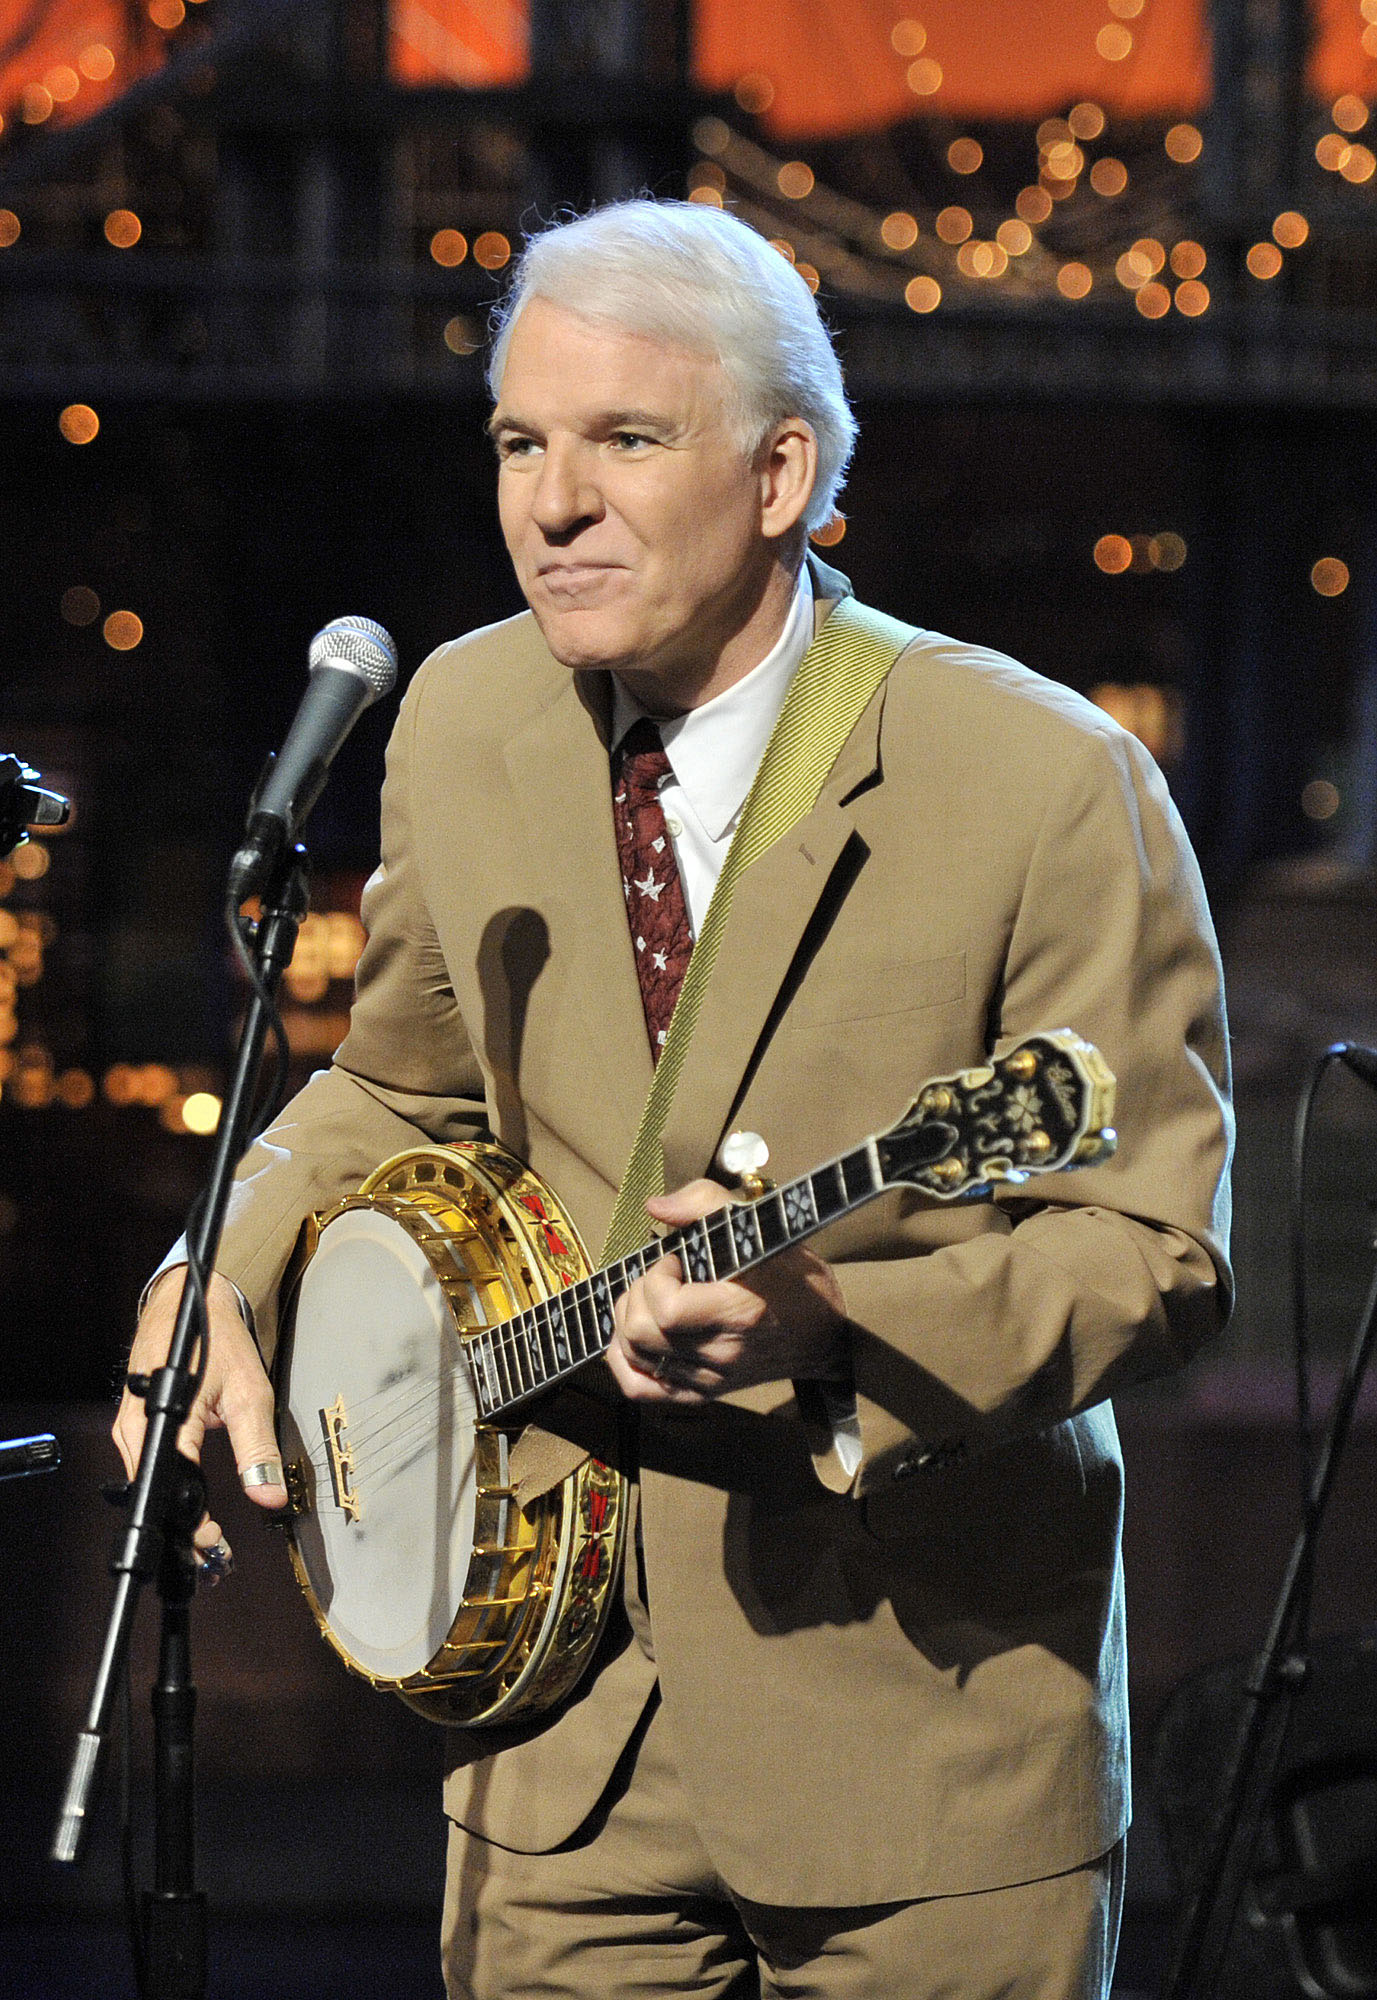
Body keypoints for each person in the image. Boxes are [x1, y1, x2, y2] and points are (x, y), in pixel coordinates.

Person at [116, 199, 1233, 1999]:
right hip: (547, 1732)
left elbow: (1155, 1254)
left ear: (782, 472)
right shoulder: (463, 718)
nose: (552, 502)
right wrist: (216, 1270)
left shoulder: (1043, 776)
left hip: (919, 1746)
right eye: (518, 442)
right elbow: (394, 1088)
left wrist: (834, 1325)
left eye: (624, 440)